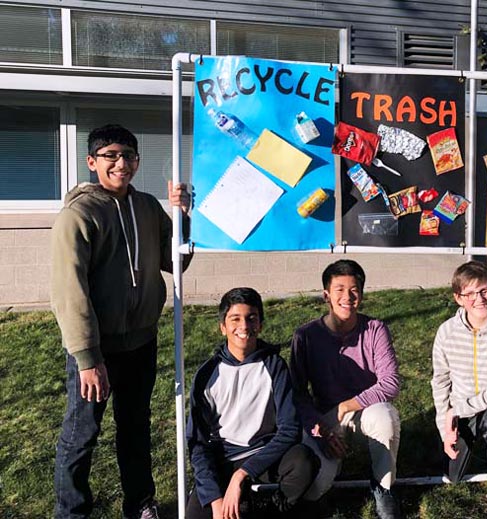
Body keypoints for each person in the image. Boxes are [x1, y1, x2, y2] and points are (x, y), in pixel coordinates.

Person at [50, 124, 192, 519]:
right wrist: (87, 358)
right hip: (98, 350)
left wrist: (182, 217)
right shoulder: (78, 215)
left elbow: (173, 261)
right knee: (81, 436)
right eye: (111, 155)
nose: (121, 163)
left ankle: (140, 504)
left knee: (135, 429)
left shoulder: (147, 207)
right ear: (92, 162)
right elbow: (69, 291)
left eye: (128, 155)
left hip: (141, 343)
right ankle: (72, 511)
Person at [186, 287, 319, 519]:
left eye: (251, 318)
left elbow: (290, 430)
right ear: (222, 327)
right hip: (225, 459)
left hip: (265, 455)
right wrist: (214, 499)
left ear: (261, 324)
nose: (244, 326)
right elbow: (197, 444)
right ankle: (236, 501)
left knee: (304, 462)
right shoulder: (207, 375)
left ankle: (269, 508)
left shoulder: (274, 366)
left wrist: (243, 475)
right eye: (235, 319)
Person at [290, 259, 402, 519]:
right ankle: (325, 482)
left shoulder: (375, 329)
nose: (347, 297)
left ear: (361, 295)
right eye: (339, 289)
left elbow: (391, 382)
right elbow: (297, 393)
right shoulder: (305, 336)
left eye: (354, 290)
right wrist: (320, 431)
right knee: (315, 485)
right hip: (325, 418)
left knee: (385, 417)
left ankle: (384, 487)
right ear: (326, 295)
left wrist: (348, 405)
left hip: (365, 409)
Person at [431, 261, 487, 519]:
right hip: (462, 404)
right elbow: (440, 382)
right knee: (453, 476)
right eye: (470, 294)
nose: (479, 299)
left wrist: (457, 410)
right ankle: (470, 441)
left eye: (485, 290)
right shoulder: (446, 332)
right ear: (458, 298)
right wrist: (445, 429)